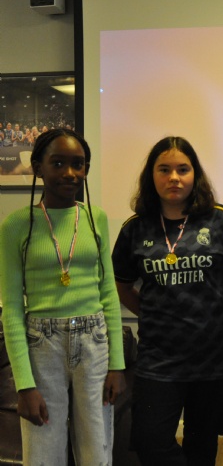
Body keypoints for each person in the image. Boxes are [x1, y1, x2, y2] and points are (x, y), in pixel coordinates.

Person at [112, 136, 223, 466]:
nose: (174, 177)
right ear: (151, 176)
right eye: (164, 169)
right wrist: (152, 311)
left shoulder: (222, 220)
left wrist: (219, 304)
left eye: (183, 169)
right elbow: (121, 285)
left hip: (215, 356)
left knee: (201, 444)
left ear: (195, 174)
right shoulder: (135, 228)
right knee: (149, 441)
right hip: (159, 357)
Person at [0, 128, 126, 466]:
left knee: (96, 451)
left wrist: (117, 364)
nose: (70, 173)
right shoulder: (16, 225)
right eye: (58, 163)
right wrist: (24, 386)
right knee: (42, 452)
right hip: (42, 344)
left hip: (94, 341)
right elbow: (11, 309)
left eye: (78, 164)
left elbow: (108, 293)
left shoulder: (96, 218)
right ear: (38, 168)